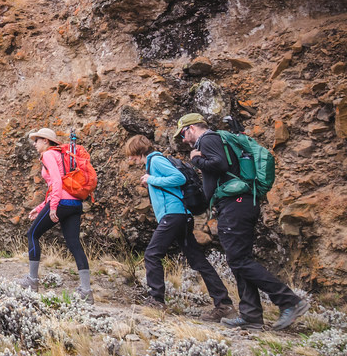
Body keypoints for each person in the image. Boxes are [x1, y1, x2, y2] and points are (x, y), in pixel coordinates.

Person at [176, 113, 309, 330]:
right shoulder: (219, 139)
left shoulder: (208, 139)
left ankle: (290, 301)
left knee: (238, 260)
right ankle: (251, 315)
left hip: (235, 204)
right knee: (239, 259)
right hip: (239, 204)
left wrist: (195, 158)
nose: (183, 139)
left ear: (191, 128)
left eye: (183, 133)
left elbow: (217, 164)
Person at [124, 134, 233, 319]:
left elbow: (179, 178)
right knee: (197, 260)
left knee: (152, 254)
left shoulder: (156, 160)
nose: (130, 159)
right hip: (180, 215)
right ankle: (224, 304)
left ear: (138, 151)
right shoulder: (154, 162)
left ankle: (156, 300)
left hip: (173, 215)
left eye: (131, 154)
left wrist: (151, 180)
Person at [21, 127, 93, 302]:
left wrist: (53, 208)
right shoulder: (62, 155)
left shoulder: (48, 155)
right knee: (74, 243)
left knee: (33, 234)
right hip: (75, 203)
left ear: (46, 141)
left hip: (60, 203)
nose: (34, 144)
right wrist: (40, 208)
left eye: (37, 140)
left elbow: (57, 182)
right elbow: (58, 186)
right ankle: (86, 291)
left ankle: (32, 280)